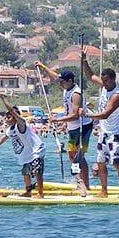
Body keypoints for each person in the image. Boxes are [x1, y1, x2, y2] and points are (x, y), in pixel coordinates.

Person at [36, 63, 93, 193]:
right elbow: (55, 77)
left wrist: (58, 119)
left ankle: (81, 183)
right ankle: (84, 183)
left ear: (70, 81)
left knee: (76, 155)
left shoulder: (76, 94)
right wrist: (42, 66)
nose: (60, 84)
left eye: (63, 82)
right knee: (75, 155)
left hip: (83, 126)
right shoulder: (66, 86)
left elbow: (74, 115)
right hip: (73, 127)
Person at [81, 57, 119, 197]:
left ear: (113, 79)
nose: (105, 83)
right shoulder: (103, 86)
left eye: (107, 81)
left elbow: (106, 114)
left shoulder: (117, 96)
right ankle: (104, 191)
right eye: (104, 81)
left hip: (116, 133)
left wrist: (87, 115)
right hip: (104, 132)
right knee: (101, 162)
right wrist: (84, 61)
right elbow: (90, 76)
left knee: (117, 163)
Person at [0, 100, 45, 197]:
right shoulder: (10, 130)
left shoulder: (22, 124)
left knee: (37, 171)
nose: (6, 119)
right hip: (26, 153)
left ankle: (40, 193)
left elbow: (11, 110)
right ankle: (28, 192)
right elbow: (0, 140)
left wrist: (2, 99)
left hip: (36, 150)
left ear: (15, 116)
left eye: (9, 117)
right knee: (25, 172)